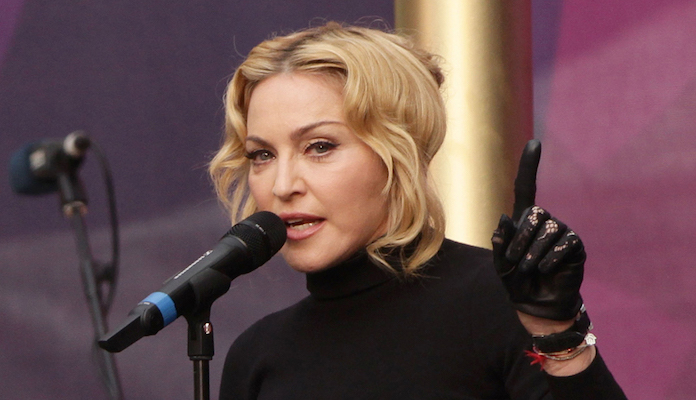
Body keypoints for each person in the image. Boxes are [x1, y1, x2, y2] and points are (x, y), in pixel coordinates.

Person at [209, 22, 626, 399]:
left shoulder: (500, 303)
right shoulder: (257, 357)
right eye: (262, 155)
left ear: (400, 151)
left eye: (320, 147)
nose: (282, 186)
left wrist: (558, 339)